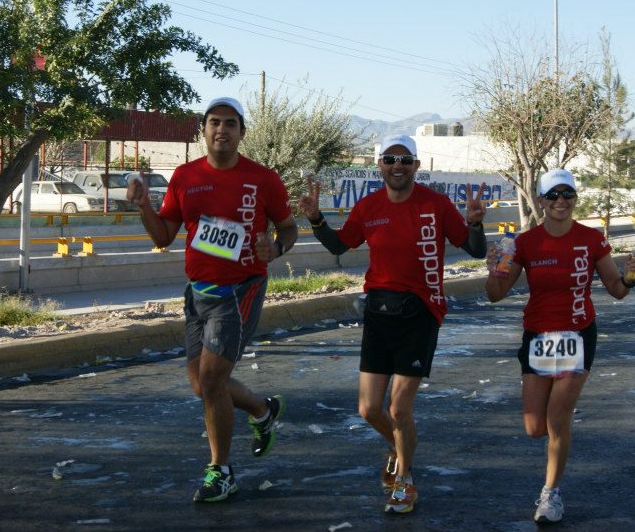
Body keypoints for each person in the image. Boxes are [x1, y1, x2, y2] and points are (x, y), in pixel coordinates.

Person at [298, 133, 487, 515]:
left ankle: (404, 479)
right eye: (390, 159)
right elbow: (339, 245)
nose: (397, 166)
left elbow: (476, 250)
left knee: (399, 410)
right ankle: (400, 447)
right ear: (379, 166)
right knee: (369, 409)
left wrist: (474, 224)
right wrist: (316, 218)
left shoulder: (435, 204)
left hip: (421, 314)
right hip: (379, 314)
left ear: (416, 166)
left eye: (404, 160)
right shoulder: (368, 207)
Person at [127, 96, 299, 503]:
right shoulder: (185, 176)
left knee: (211, 380)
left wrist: (276, 248)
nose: (222, 129)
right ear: (203, 130)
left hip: (241, 289)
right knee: (200, 385)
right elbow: (163, 236)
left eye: (230, 123)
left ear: (242, 132)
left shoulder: (263, 178)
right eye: (214, 122)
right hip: (198, 291)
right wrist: (144, 206)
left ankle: (220, 471)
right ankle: (262, 411)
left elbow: (288, 227)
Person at [485, 168, 635, 524]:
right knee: (534, 428)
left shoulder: (591, 239)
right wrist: (492, 271)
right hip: (538, 337)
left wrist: (630, 276)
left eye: (567, 194)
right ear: (541, 200)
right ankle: (554, 462)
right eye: (553, 195)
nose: (561, 201)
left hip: (577, 335)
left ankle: (550, 494)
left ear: (575, 199)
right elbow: (495, 295)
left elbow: (616, 290)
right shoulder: (522, 244)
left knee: (558, 419)